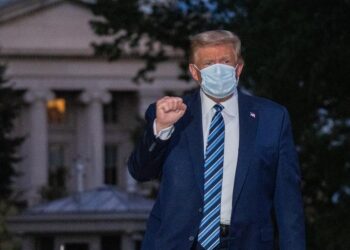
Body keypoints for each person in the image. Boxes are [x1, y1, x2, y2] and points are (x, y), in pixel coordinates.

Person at [128, 30, 305, 250]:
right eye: (209, 63)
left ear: (238, 68)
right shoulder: (172, 114)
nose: (218, 69)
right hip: (177, 243)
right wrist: (162, 128)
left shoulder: (272, 118)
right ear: (195, 72)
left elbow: (288, 203)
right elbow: (140, 172)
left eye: (225, 61)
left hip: (247, 243)